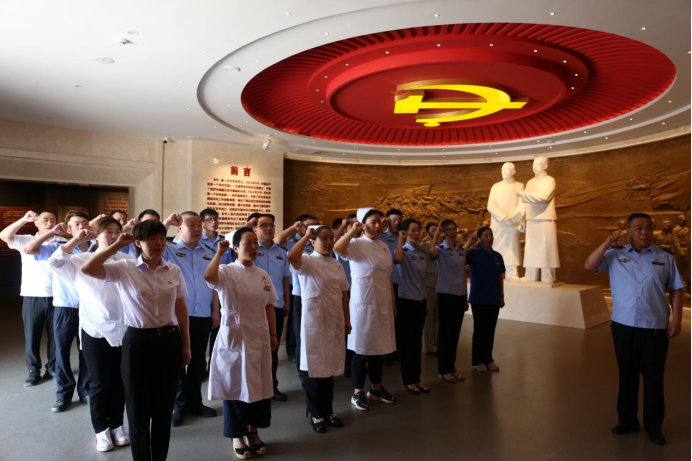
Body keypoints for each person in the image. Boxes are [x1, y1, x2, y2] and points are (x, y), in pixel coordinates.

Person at [81, 220, 191, 461]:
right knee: (137, 407)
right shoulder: (125, 268)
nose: (159, 243)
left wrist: (186, 345)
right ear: (139, 243)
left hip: (169, 340)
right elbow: (88, 269)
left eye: (162, 237)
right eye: (152, 238)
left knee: (164, 407)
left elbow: (181, 309)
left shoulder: (173, 270)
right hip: (138, 342)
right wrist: (116, 246)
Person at [584, 212, 685, 446]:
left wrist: (677, 319)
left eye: (648, 228)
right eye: (638, 228)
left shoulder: (665, 257)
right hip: (624, 327)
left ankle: (653, 426)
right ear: (628, 231)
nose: (644, 232)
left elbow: (676, 289)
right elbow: (589, 265)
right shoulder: (615, 254)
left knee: (654, 378)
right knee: (627, 376)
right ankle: (627, 421)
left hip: (654, 328)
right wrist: (606, 244)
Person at [45, 217, 132, 451]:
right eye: (108, 231)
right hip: (95, 328)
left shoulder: (126, 261)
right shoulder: (80, 260)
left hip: (124, 328)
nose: (113, 235)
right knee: (99, 382)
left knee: (119, 381)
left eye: (117, 231)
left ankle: (117, 425)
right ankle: (101, 430)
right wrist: (75, 240)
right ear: (95, 234)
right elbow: (55, 262)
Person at [205, 229, 277, 459]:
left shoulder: (263, 275)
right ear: (235, 248)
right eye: (248, 243)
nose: (254, 247)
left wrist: (273, 333)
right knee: (235, 386)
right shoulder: (226, 271)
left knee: (259, 385)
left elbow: (269, 305)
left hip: (259, 334)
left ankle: (253, 431)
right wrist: (219, 254)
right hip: (235, 335)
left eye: (256, 243)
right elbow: (209, 277)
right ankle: (237, 435)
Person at [23, 211, 93, 412]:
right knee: (61, 352)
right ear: (68, 229)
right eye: (76, 224)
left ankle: (85, 390)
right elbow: (29, 250)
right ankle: (63, 394)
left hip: (89, 307)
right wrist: (52, 232)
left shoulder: (97, 247)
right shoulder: (57, 247)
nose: (81, 227)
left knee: (87, 351)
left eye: (85, 223)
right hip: (64, 306)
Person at [288, 225, 350, 433]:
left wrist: (347, 319)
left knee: (329, 368)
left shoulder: (336, 264)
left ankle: (328, 410)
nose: (329, 241)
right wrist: (306, 235)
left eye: (331, 237)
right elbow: (292, 257)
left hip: (334, 320)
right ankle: (315, 413)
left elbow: (343, 293)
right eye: (324, 238)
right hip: (314, 322)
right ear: (313, 242)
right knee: (314, 368)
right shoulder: (307, 261)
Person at [334, 208, 396, 411]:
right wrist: (353, 230)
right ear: (362, 223)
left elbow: (388, 276)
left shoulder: (384, 246)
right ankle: (357, 392)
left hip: (382, 303)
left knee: (379, 348)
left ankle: (376, 388)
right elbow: (337, 248)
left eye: (379, 221)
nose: (377, 226)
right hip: (363, 305)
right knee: (361, 349)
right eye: (372, 222)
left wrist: (392, 302)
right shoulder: (355, 244)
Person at [162, 211, 220, 427]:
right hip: (177, 315)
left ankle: (195, 401)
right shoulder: (169, 249)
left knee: (198, 360)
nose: (196, 229)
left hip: (203, 312)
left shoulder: (210, 252)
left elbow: (214, 284)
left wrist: (216, 311)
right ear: (180, 228)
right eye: (191, 224)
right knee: (178, 361)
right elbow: (153, 236)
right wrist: (167, 222)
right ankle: (179, 404)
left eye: (198, 225)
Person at [0, 210, 62, 386]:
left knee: (56, 336)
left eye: (53, 219)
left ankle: (52, 367)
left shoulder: (62, 241)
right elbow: (4, 235)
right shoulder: (26, 239)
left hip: (58, 296)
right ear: (36, 222)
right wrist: (23, 219)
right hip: (33, 295)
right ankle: (33, 371)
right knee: (32, 335)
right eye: (45, 220)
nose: (49, 223)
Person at [428, 220, 474, 383]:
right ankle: (443, 370)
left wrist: (465, 297)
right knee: (445, 334)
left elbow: (462, 275)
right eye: (449, 230)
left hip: (459, 295)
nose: (453, 232)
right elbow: (431, 252)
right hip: (446, 295)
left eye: (454, 229)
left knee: (454, 334)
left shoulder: (460, 251)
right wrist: (436, 234)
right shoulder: (440, 249)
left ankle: (451, 367)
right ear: (444, 232)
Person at [252, 214, 291, 401]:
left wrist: (287, 301)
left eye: (271, 225)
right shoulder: (250, 249)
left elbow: (285, 279)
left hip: (276, 305)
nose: (269, 229)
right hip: (255, 306)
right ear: (255, 229)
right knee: (255, 349)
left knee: (273, 348)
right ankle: (255, 388)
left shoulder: (281, 252)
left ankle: (272, 387)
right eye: (264, 225)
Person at [275, 215, 320, 367]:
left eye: (316, 225)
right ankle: (294, 353)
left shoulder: (317, 241)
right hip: (299, 290)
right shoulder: (293, 241)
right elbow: (278, 240)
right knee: (297, 325)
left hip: (316, 290)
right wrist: (294, 228)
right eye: (310, 225)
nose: (313, 228)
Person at [393, 219, 430, 395]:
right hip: (406, 301)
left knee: (417, 342)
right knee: (407, 343)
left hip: (420, 300)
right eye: (412, 230)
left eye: (418, 230)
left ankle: (417, 378)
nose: (416, 233)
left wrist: (426, 300)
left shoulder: (421, 253)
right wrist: (401, 239)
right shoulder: (402, 251)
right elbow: (397, 259)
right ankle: (408, 380)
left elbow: (422, 280)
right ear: (405, 232)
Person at [466, 227, 505, 373]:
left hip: (493, 298)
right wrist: (469, 242)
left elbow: (500, 278)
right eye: (486, 235)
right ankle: (478, 360)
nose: (489, 238)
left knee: (490, 330)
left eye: (491, 235)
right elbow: (459, 257)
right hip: (479, 298)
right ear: (480, 238)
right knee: (480, 330)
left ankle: (488, 359)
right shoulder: (473, 254)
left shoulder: (497, 256)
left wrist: (501, 296)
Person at [517, 157, 559, 283]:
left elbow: (544, 197)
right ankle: (530, 275)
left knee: (547, 247)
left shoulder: (550, 180)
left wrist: (523, 194)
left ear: (545, 166)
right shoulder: (530, 182)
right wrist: (522, 220)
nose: (534, 167)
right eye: (533, 164)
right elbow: (525, 204)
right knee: (531, 248)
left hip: (546, 218)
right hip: (531, 219)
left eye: (538, 164)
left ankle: (548, 275)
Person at [487, 162, 525, 280]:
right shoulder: (496, 186)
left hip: (513, 223)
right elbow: (491, 205)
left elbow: (523, 204)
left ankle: (512, 272)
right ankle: (495, 271)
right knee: (496, 246)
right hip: (498, 222)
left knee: (512, 247)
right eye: (502, 169)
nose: (503, 171)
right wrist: (504, 217)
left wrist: (513, 218)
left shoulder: (520, 186)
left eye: (507, 169)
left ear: (513, 172)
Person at [379, 209, 402, 364]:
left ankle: (397, 349)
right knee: (387, 319)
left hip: (403, 283)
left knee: (400, 319)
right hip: (387, 282)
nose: (397, 222)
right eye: (394, 219)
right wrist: (381, 224)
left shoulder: (403, 236)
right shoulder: (381, 236)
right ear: (387, 221)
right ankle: (386, 352)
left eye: (400, 219)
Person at [419, 222, 439, 355]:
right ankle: (430, 346)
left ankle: (437, 343)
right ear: (427, 232)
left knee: (438, 316)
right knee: (429, 316)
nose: (435, 232)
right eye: (432, 230)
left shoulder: (442, 246)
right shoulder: (424, 245)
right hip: (429, 283)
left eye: (437, 230)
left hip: (441, 284)